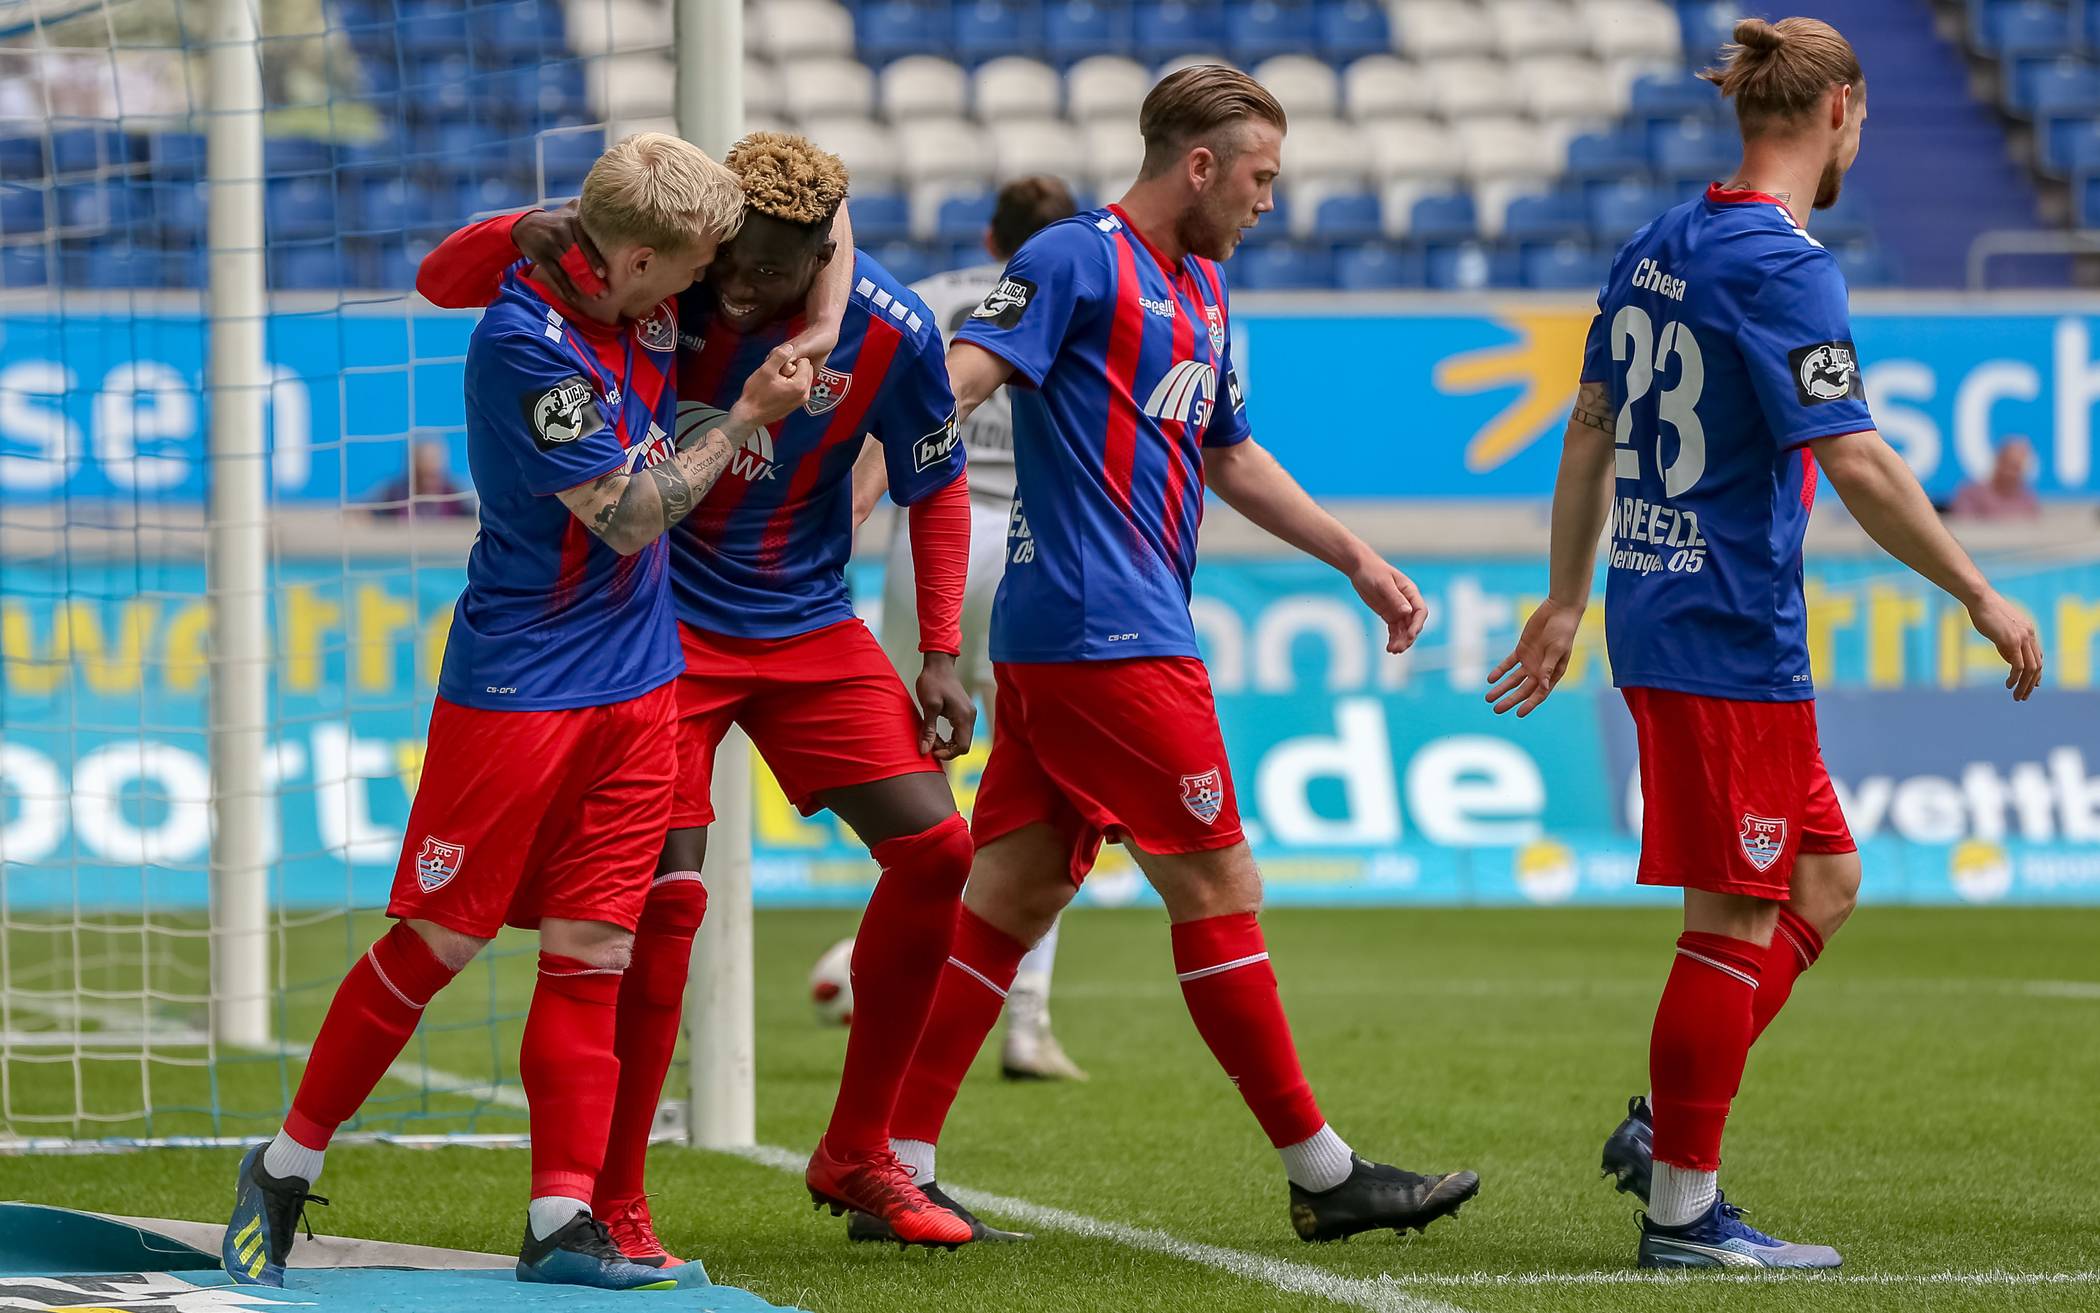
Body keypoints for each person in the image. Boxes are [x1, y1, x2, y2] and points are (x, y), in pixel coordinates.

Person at [857, 66, 1481, 1246]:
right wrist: (864, 453)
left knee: (1017, 888)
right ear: (1200, 165)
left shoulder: (1200, 284)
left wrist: (1354, 556)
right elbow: (963, 374)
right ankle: (1321, 1168)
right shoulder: (1073, 260)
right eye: (1259, 179)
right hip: (1108, 633)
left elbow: (1228, 453)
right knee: (1218, 885)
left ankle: (894, 1163)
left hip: (1081, 634)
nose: (1268, 203)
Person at [1485, 18, 2043, 1271]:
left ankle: (1666, 1125)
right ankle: (1684, 1210)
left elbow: (1588, 428)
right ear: (1841, 109)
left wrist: (1568, 596)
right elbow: (1855, 458)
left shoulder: (1658, 240)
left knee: (1823, 882)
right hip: (1724, 625)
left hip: (1675, 612)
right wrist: (1977, 591)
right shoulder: (1784, 265)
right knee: (1735, 912)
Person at [223, 133, 815, 1290]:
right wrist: (741, 421)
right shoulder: (522, 347)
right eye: (688, 265)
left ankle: (559, 1223)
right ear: (635, 256)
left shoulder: (637, 288)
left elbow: (807, 248)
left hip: (641, 683)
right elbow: (633, 517)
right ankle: (281, 1165)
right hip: (522, 687)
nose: (703, 285)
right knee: (441, 939)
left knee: (596, 946)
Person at [415, 132, 983, 1253]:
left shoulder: (893, 328)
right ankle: (612, 1201)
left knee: (938, 855)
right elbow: (451, 283)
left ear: (822, 252)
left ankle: (858, 1150)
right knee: (653, 911)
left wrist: (941, 651)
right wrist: (531, 222)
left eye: (763, 271)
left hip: (807, 621)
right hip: (654, 623)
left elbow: (938, 481)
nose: (731, 287)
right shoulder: (660, 292)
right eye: (722, 262)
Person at [852, 174, 1088, 1085]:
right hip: (1031, 538)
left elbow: (891, 417)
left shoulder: (938, 300)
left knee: (919, 783)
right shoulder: (1079, 288)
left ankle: (905, 980)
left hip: (932, 535)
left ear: (990, 232)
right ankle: (1023, 1020)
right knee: (1037, 778)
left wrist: (863, 501)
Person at [366, 438, 475, 518]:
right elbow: (363, 511)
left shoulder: (456, 496)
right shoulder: (393, 494)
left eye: (434, 460)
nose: (430, 466)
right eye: (424, 460)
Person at [1950, 436, 2043, 519]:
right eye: (2010, 466)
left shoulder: (2028, 499)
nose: (2013, 474)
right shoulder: (1970, 494)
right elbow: (1964, 528)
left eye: (2018, 468)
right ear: (1999, 462)